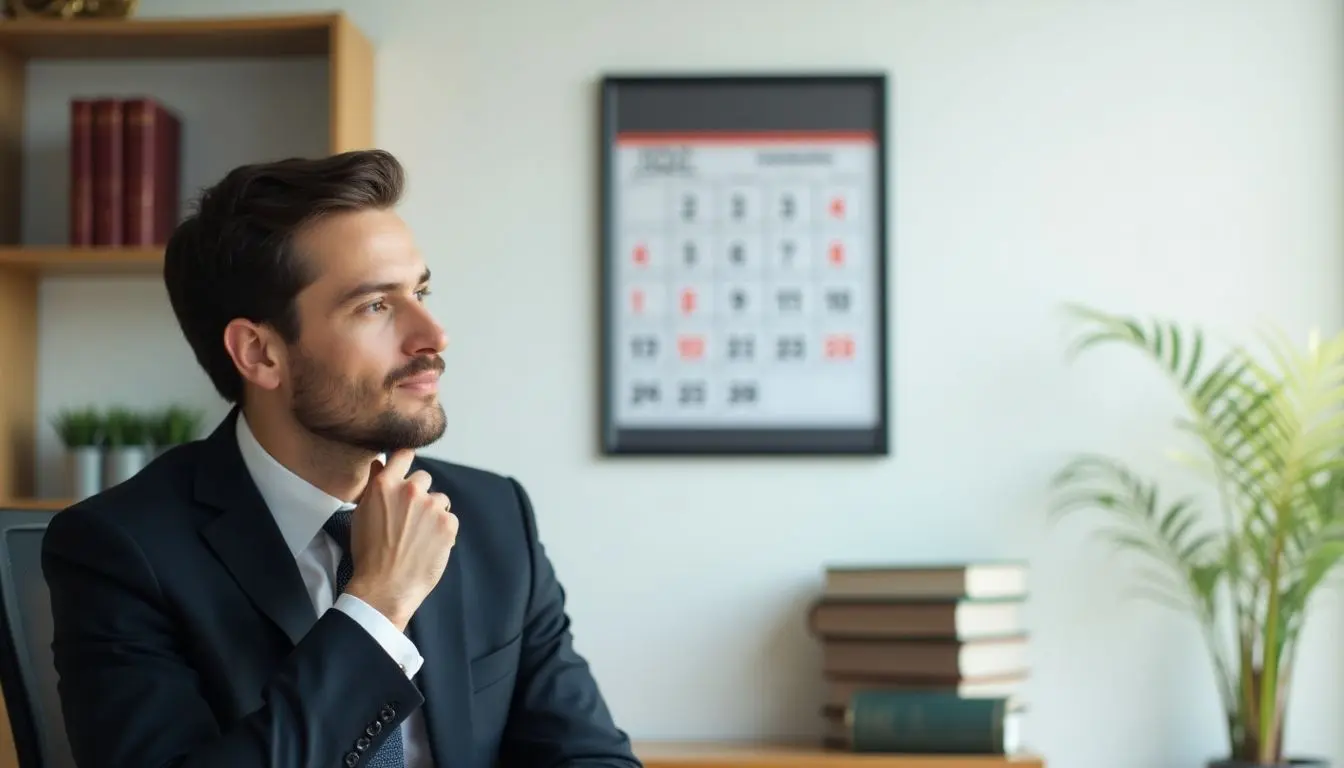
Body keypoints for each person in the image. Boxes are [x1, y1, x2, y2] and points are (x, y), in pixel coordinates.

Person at [40, 149, 641, 768]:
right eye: (375, 306)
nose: (433, 336)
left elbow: (589, 756)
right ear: (260, 353)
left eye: (421, 292)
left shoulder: (493, 518)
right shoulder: (121, 550)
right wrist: (377, 605)